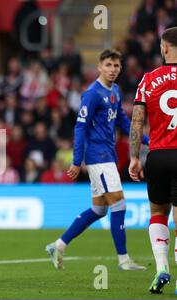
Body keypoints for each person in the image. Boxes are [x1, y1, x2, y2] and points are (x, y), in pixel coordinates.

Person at [46, 49, 148, 271]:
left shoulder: (116, 91)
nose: (113, 70)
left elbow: (122, 121)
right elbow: (80, 127)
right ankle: (124, 260)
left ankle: (58, 245)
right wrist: (76, 160)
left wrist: (148, 139)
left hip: (107, 155)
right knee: (119, 203)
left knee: (99, 210)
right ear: (100, 67)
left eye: (117, 66)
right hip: (98, 156)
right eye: (109, 65)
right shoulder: (92, 94)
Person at [129, 26, 177, 294]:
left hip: (157, 156)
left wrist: (135, 157)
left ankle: (162, 268)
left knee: (158, 213)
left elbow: (137, 122)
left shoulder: (148, 80)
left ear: (165, 48)